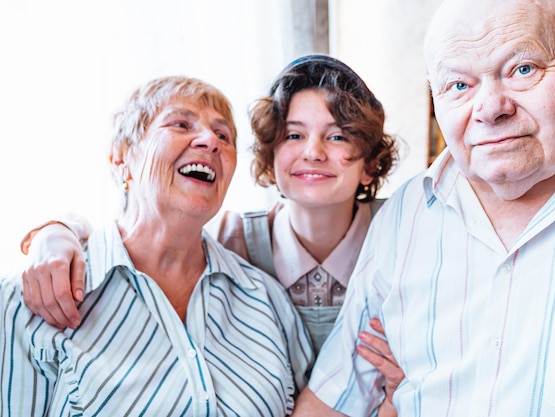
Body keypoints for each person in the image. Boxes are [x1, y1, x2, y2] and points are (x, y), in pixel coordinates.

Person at [291, 0, 555, 415]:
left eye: (523, 70)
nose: (489, 108)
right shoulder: (404, 215)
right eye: (459, 86)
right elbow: (333, 399)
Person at [18, 55, 405, 414]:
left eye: (337, 136)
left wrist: (396, 398)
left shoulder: (402, 238)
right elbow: (150, 226)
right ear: (271, 159)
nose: (314, 152)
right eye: (293, 135)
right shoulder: (232, 236)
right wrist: (55, 231)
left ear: (370, 166)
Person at [0, 75, 315, 416]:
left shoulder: (267, 300)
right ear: (122, 158)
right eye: (181, 124)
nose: (210, 141)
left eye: (223, 135)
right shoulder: (28, 302)